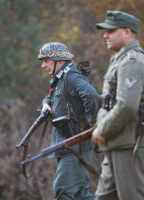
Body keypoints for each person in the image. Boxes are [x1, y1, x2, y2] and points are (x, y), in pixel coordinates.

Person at [91, 10, 144, 200]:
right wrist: (101, 125)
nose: (105, 35)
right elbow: (108, 102)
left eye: (110, 30)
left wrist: (103, 129)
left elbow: (127, 106)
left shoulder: (132, 62)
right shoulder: (120, 60)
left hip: (133, 145)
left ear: (126, 32)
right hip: (118, 143)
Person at [39, 42, 99, 200]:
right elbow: (51, 96)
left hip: (76, 144)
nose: (43, 65)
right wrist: (46, 104)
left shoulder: (71, 76)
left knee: (63, 189)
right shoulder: (60, 78)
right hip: (67, 142)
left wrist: (91, 123)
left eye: (46, 60)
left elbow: (91, 96)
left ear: (59, 60)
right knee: (81, 194)